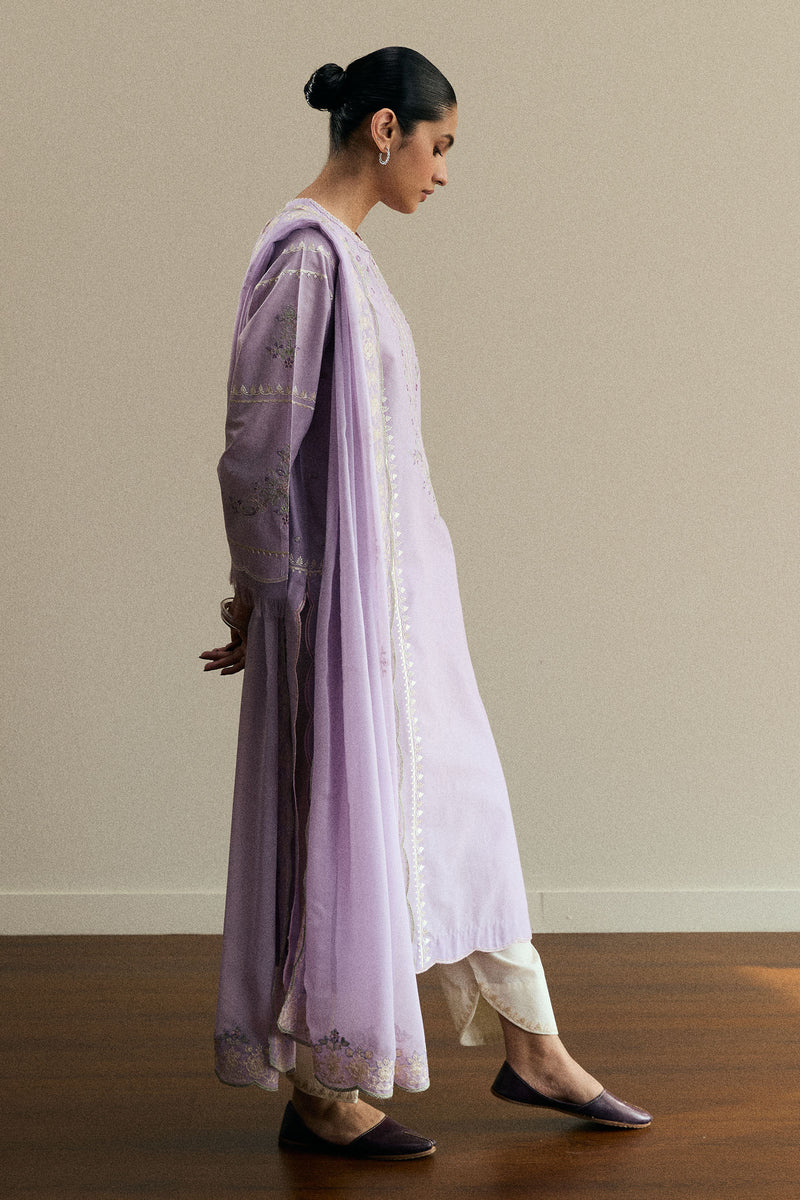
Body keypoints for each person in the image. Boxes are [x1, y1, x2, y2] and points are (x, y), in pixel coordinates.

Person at [201, 46, 651, 1162]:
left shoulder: (348, 259)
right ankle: (324, 1093)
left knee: (461, 805)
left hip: (399, 608)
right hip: (334, 611)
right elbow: (256, 447)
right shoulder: (307, 259)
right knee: (340, 826)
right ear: (385, 129)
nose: (444, 172)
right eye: (440, 146)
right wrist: (262, 596)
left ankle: (532, 1047)